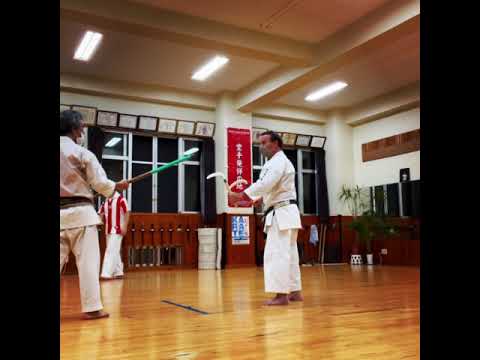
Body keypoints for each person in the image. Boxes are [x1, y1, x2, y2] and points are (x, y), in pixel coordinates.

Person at [60, 110, 129, 320]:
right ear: (73, 127)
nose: (83, 128)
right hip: (82, 215)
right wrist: (117, 186)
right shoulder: (82, 153)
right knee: (88, 264)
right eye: (81, 124)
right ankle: (92, 308)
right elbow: (99, 183)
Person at [229, 131, 303, 305]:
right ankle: (295, 292)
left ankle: (281, 295)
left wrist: (241, 195)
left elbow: (266, 184)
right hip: (287, 212)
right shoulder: (278, 162)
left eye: (264, 142)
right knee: (290, 255)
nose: (261, 146)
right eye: (259, 143)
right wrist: (257, 200)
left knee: (276, 255)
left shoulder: (278, 161)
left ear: (276, 143)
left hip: (282, 214)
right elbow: (277, 188)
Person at [99, 191, 130, 280]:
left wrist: (124, 226)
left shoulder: (121, 199)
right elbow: (100, 213)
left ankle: (106, 273)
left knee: (110, 250)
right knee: (114, 250)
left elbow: (127, 212)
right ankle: (118, 272)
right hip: (108, 230)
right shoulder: (105, 201)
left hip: (117, 229)